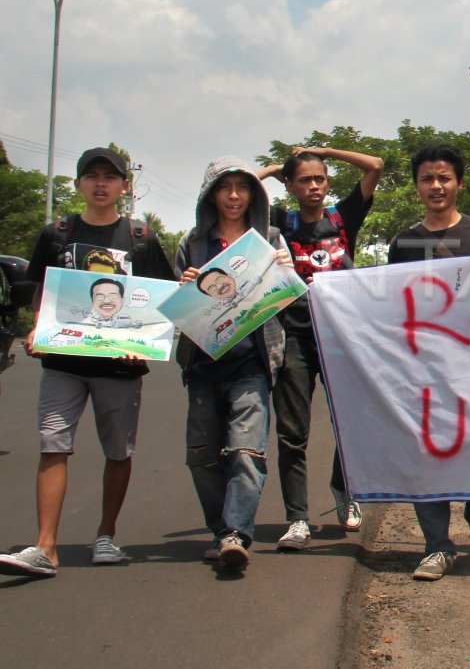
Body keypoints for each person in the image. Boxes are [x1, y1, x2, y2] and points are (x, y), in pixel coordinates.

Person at [0, 147, 174, 578]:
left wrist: (145, 343)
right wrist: (37, 332)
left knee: (118, 451)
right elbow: (41, 289)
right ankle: (45, 547)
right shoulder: (57, 233)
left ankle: (106, 536)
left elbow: (159, 297)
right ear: (78, 184)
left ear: (123, 186)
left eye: (109, 177)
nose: (100, 184)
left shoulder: (140, 237)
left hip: (120, 366)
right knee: (52, 444)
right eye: (91, 176)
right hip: (63, 361)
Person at [387, 143, 470, 582]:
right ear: (416, 185)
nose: (436, 186)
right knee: (426, 457)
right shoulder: (403, 242)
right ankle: (437, 546)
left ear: (458, 182)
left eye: (444, 178)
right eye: (427, 179)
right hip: (419, 369)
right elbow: (391, 307)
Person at [258, 145, 382, 550]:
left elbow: (375, 165)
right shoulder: (278, 222)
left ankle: (344, 490)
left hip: (342, 334)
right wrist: (279, 167)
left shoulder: (342, 217)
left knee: (350, 421)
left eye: (320, 178)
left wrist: (323, 150)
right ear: (291, 187)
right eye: (305, 180)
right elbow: (239, 189)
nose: (314, 186)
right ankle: (297, 519)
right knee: (293, 432)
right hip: (293, 335)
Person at [176, 157, 291, 572]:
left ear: (254, 196)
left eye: (242, 188)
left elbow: (287, 297)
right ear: (211, 195)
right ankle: (220, 528)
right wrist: (184, 286)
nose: (234, 197)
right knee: (201, 456)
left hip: (252, 363)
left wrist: (285, 274)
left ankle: (236, 534)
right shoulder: (192, 243)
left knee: (246, 450)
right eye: (225, 188)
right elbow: (177, 308)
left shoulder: (271, 239)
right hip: (203, 365)